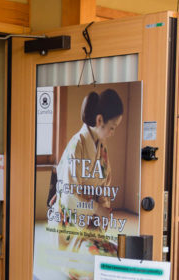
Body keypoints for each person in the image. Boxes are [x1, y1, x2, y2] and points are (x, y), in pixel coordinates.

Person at [48, 88, 123, 240]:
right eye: (112, 128)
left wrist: (103, 211)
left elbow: (105, 184)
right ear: (100, 120)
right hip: (70, 219)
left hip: (91, 218)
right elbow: (69, 197)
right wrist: (97, 209)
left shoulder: (102, 147)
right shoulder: (77, 145)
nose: (112, 133)